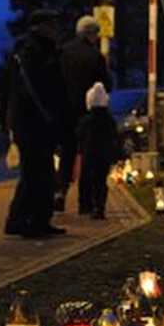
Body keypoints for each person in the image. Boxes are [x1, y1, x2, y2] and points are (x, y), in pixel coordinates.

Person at [4, 9, 67, 238]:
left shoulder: (42, 51)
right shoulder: (31, 52)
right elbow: (33, 89)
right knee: (38, 174)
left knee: (37, 173)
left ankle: (25, 218)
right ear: (39, 27)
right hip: (34, 124)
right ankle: (32, 220)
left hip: (35, 123)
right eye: (51, 25)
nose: (55, 30)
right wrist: (49, 118)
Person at [57, 15, 111, 213]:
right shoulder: (94, 56)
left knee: (67, 152)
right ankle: (85, 201)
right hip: (88, 113)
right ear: (92, 34)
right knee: (88, 155)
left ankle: (60, 191)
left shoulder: (62, 52)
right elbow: (105, 84)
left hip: (65, 110)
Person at [77, 81, 120, 220]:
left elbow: (79, 135)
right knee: (101, 181)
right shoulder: (109, 120)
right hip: (104, 155)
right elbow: (115, 137)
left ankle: (86, 205)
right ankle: (100, 207)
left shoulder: (86, 120)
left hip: (89, 154)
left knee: (88, 179)